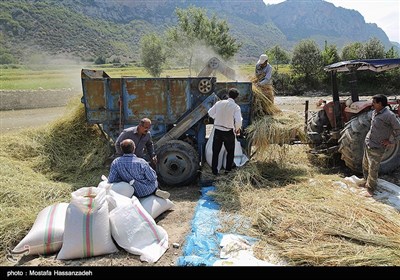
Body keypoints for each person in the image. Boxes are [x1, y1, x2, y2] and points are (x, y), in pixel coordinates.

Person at [362, 94, 400, 197]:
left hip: (377, 147)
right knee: (365, 165)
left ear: (380, 104)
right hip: (368, 143)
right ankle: (366, 182)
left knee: (373, 169)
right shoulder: (375, 112)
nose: (372, 104)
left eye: (374, 102)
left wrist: (391, 142)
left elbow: (398, 130)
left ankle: (370, 189)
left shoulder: (389, 116)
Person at [208, 88, 243, 175]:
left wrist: (217, 117)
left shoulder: (219, 103)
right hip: (228, 132)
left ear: (228, 94)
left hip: (218, 131)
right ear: (236, 97)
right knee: (230, 152)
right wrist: (237, 128)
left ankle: (214, 171)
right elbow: (239, 121)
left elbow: (210, 112)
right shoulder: (236, 107)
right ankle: (227, 171)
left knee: (215, 152)